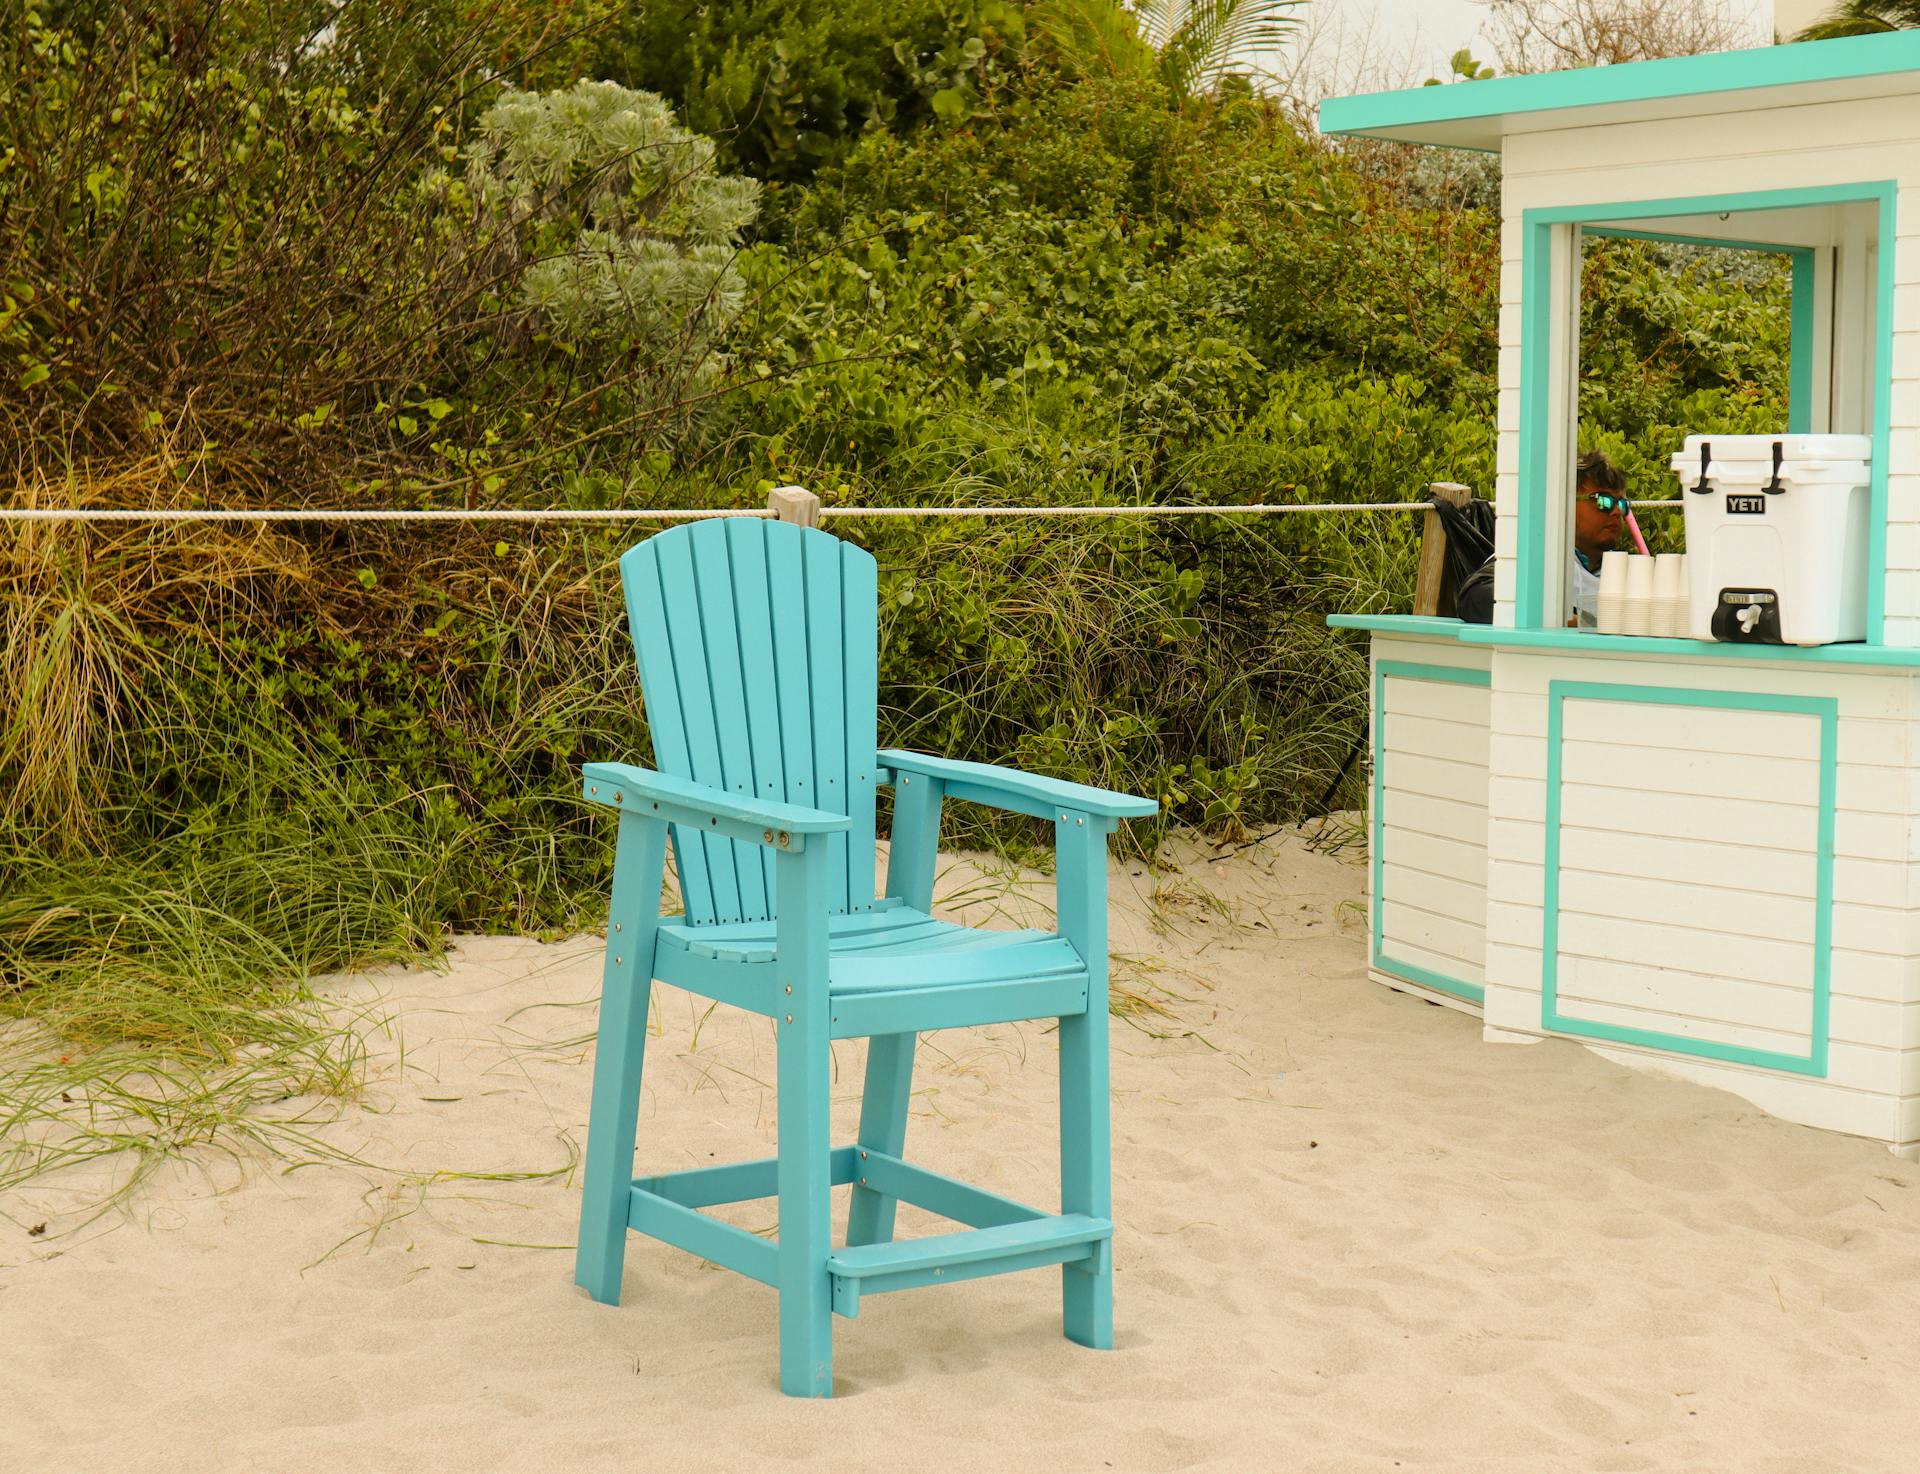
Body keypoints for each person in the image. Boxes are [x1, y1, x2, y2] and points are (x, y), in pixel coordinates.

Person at [1569, 451, 1629, 628]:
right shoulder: (1536, 565)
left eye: (1622, 504)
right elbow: (1486, 597)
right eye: (1603, 501)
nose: (1617, 512)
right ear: (1564, 503)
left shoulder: (1627, 573)